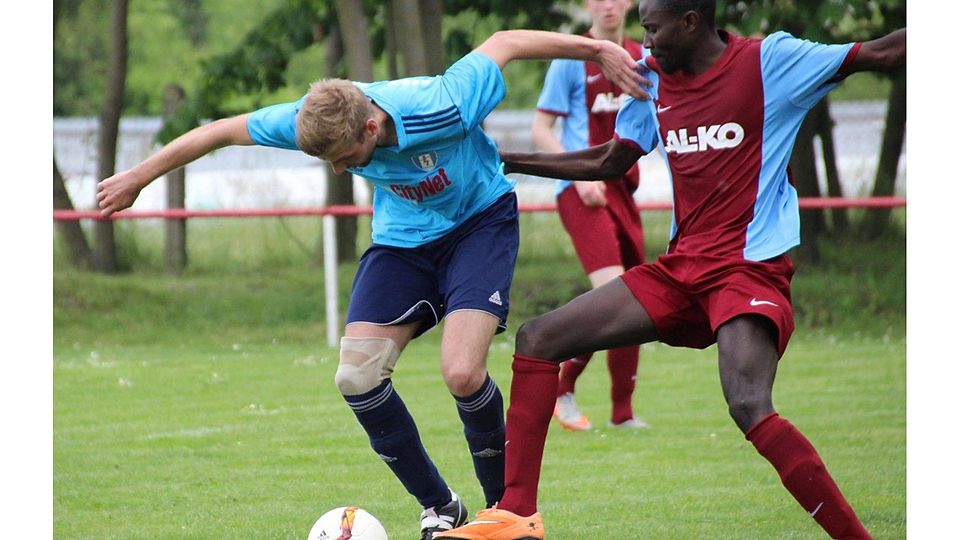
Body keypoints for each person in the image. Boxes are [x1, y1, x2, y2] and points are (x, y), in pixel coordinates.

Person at [96, 30, 647, 540]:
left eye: (345, 160)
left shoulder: (442, 102)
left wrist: (595, 51)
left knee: (461, 371)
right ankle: (442, 508)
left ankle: (505, 513)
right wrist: (137, 178)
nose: (340, 171)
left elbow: (504, 42)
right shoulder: (311, 118)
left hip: (479, 224)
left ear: (371, 128)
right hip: (403, 242)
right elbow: (220, 131)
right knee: (355, 376)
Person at [436, 1, 906, 538]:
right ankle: (517, 516)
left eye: (652, 29)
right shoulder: (653, 80)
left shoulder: (770, 61)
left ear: (690, 22)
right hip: (681, 272)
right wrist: (508, 160)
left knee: (749, 404)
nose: (646, 41)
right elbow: (610, 161)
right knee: (539, 338)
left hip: (748, 272)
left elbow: (884, 51)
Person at [532, 0, 649, 432]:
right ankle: (563, 387)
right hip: (581, 192)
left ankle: (623, 414)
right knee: (616, 293)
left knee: (638, 301)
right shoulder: (571, 58)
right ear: (587, 5)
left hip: (623, 190)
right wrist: (577, 174)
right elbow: (540, 129)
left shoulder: (643, 58)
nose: (608, 4)